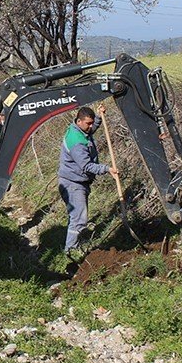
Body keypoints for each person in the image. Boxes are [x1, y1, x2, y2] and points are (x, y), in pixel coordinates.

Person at [58, 105, 114, 259]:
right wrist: (107, 169)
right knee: (79, 218)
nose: (91, 126)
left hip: (75, 181)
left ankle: (73, 245)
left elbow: (90, 129)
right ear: (79, 121)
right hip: (73, 184)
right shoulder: (77, 142)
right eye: (88, 123)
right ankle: (71, 251)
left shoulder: (78, 130)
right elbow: (87, 166)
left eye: (91, 123)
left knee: (76, 216)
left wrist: (99, 117)